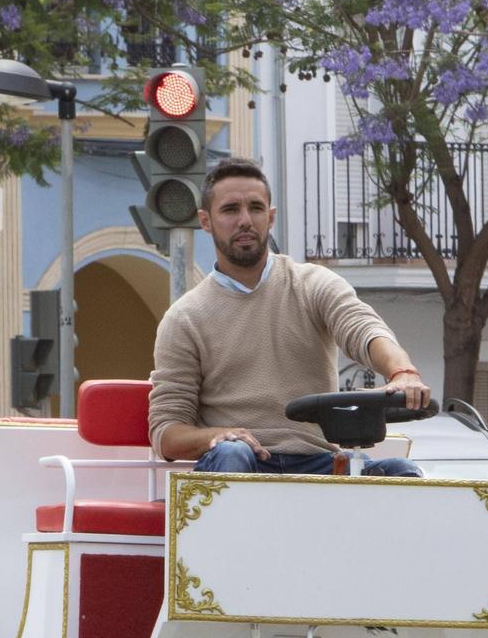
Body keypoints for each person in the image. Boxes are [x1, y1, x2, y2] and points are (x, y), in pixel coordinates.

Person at [147, 157, 430, 476]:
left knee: (402, 471)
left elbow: (363, 329)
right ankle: (236, 524)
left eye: (255, 208)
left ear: (270, 217)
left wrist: (402, 372)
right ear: (206, 221)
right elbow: (167, 433)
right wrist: (218, 435)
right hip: (243, 461)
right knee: (232, 454)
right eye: (230, 210)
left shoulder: (314, 284)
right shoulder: (184, 318)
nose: (244, 220)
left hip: (317, 462)